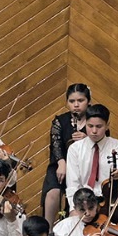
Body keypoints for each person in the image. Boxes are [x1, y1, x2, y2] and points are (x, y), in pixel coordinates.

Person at [64, 104, 118, 222]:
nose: (94, 131)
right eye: (90, 126)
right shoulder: (75, 149)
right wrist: (74, 209)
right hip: (83, 204)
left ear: (107, 125)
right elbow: (72, 184)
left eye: (99, 126)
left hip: (107, 204)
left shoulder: (117, 146)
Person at [42, 83, 90, 224]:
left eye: (80, 101)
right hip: (61, 164)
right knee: (53, 191)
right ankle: (48, 229)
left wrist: (88, 139)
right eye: (72, 101)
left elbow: (103, 141)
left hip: (85, 166)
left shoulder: (94, 120)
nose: (76, 105)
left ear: (88, 101)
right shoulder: (59, 121)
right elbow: (56, 145)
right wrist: (61, 163)